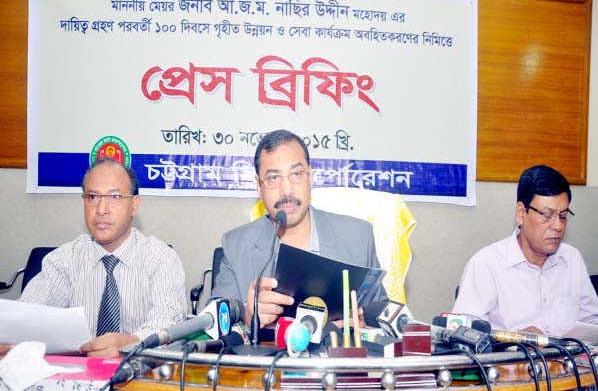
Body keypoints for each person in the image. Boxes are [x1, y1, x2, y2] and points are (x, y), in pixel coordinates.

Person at [211, 129, 387, 329]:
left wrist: (366, 325)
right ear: (259, 187)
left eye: (296, 174)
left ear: (310, 177)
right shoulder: (236, 245)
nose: (287, 191)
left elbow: (384, 317)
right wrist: (246, 318)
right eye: (273, 178)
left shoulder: (358, 237)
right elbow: (211, 326)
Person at [19, 158, 187, 357]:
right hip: (75, 378)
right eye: (92, 197)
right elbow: (26, 319)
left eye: (114, 196)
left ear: (134, 205)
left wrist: (130, 344)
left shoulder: (161, 260)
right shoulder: (64, 260)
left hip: (141, 378)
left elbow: (168, 329)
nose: (101, 209)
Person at [452, 165, 598, 336]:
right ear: (521, 213)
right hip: (510, 361)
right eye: (547, 215)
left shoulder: (572, 258)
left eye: (563, 216)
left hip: (567, 362)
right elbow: (463, 337)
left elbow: (591, 323)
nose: (558, 226)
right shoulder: (486, 264)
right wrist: (512, 341)